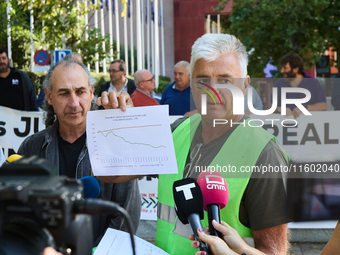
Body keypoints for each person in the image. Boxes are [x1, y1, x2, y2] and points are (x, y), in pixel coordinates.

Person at [97, 34, 289, 255]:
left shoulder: (265, 154)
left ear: (245, 85)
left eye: (225, 80)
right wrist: (112, 122)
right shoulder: (178, 130)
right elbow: (111, 172)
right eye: (203, 79)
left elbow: (274, 252)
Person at [17, 58, 141, 246]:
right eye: (64, 93)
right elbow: (21, 215)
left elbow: (126, 216)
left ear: (91, 93)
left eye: (80, 92)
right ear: (49, 97)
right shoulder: (30, 148)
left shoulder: (115, 143)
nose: (74, 103)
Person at [273, 51, 327, 118]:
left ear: (295, 69)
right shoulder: (278, 84)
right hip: (284, 126)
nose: (282, 71)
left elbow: (323, 106)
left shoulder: (313, 83)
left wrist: (305, 108)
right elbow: (270, 106)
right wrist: (280, 109)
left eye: (285, 68)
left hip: (310, 125)